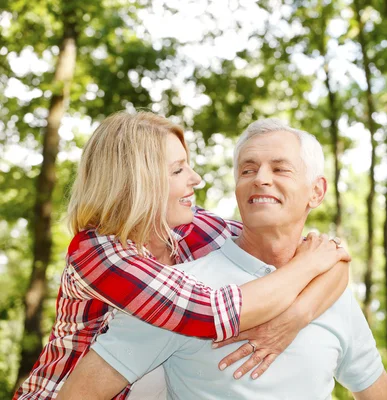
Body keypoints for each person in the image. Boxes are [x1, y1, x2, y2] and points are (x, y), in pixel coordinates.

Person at [14, 112, 350, 400]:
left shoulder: (188, 228)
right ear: (137, 182)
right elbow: (211, 314)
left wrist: (296, 318)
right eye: (177, 171)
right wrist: (308, 264)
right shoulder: (98, 253)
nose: (196, 179)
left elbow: (331, 260)